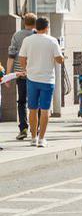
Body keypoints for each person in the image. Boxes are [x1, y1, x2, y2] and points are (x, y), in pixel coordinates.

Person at [18, 16, 64, 148]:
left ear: (35, 27)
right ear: (47, 27)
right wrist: (61, 57)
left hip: (32, 78)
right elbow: (59, 60)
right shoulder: (52, 40)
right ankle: (41, 139)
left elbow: (22, 58)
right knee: (45, 110)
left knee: (32, 109)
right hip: (47, 79)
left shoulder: (28, 40)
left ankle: (33, 138)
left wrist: (26, 69)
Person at [8, 12, 36, 141]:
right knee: (36, 102)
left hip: (21, 74)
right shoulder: (38, 35)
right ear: (35, 23)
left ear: (24, 22)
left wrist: (8, 75)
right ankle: (37, 128)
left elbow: (11, 56)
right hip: (36, 74)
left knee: (22, 102)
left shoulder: (17, 35)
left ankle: (23, 128)